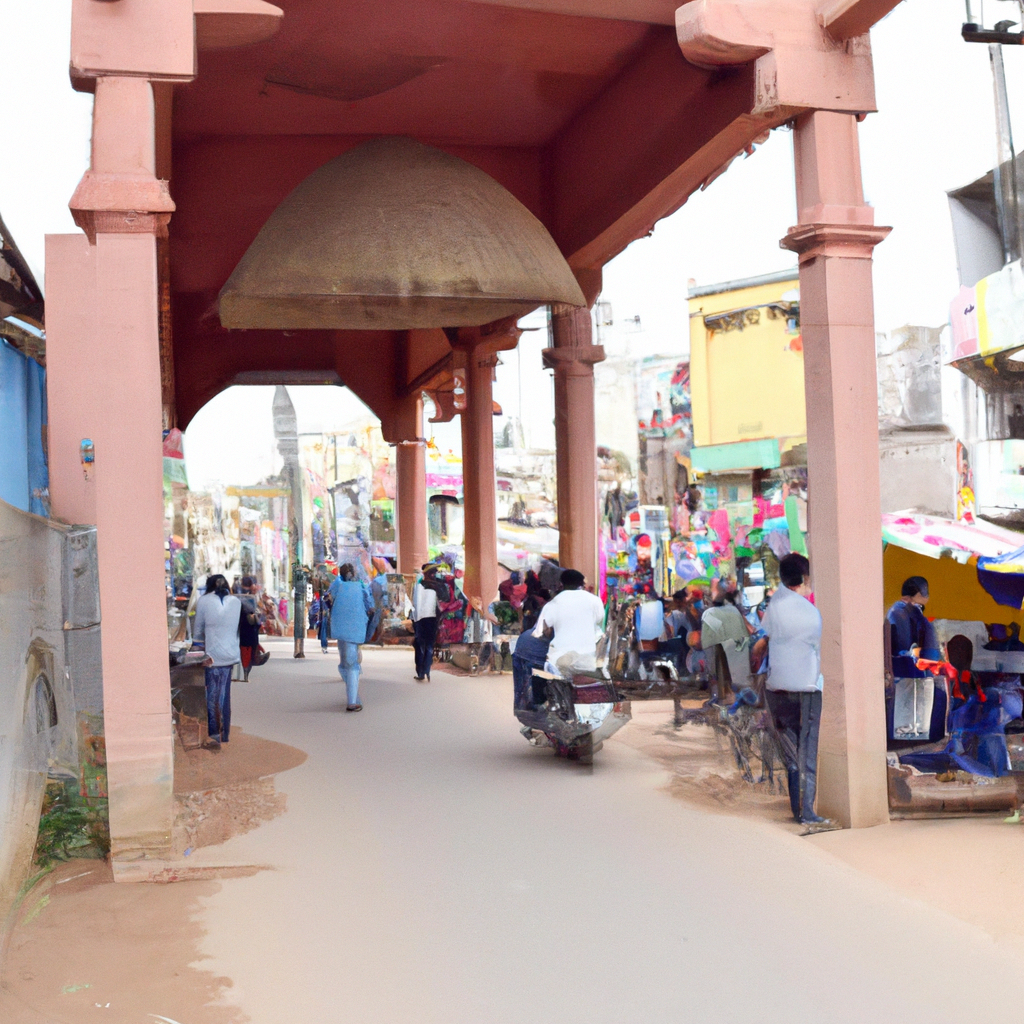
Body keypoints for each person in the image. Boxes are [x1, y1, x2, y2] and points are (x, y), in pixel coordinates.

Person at [761, 553, 829, 827]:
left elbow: (766, 638)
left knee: (791, 755)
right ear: (803, 578)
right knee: (807, 753)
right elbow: (817, 647)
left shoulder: (774, 606)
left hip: (776, 690)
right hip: (805, 689)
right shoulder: (809, 611)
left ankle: (797, 810)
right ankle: (807, 812)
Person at [192, 573, 242, 749]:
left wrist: (196, 652)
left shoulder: (204, 601)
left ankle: (214, 735)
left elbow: (198, 632)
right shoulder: (236, 602)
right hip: (230, 655)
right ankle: (225, 733)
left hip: (212, 656)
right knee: (224, 695)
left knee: (213, 695)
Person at [532, 568, 605, 675]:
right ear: (582, 583)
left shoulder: (554, 603)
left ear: (561, 584)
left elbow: (540, 631)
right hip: (587, 660)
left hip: (559, 661)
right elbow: (599, 620)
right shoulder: (595, 600)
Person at [328, 563, 374, 711]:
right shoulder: (361, 586)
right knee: (351, 663)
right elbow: (370, 606)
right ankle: (353, 700)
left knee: (345, 661)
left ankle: (352, 695)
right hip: (355, 627)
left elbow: (328, 598)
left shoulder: (337, 584)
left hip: (340, 626)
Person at [886, 576, 939, 661]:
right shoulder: (900, 613)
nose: (927, 597)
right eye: (925, 593)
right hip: (907, 663)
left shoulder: (898, 611)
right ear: (918, 594)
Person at [512, 593, 550, 708]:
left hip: (523, 645)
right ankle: (534, 705)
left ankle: (524, 707)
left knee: (522, 686)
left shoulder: (549, 609)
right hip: (533, 652)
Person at [411, 563, 445, 681]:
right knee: (429, 645)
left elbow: (416, 604)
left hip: (421, 619)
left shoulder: (420, 585)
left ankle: (421, 672)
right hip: (433, 619)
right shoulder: (439, 586)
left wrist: (415, 621)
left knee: (420, 645)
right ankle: (427, 671)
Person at [237, 575, 263, 681]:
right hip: (249, 628)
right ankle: (246, 671)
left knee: (245, 651)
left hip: (242, 628)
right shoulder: (250, 597)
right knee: (249, 651)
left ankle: (245, 671)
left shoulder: (238, 594)